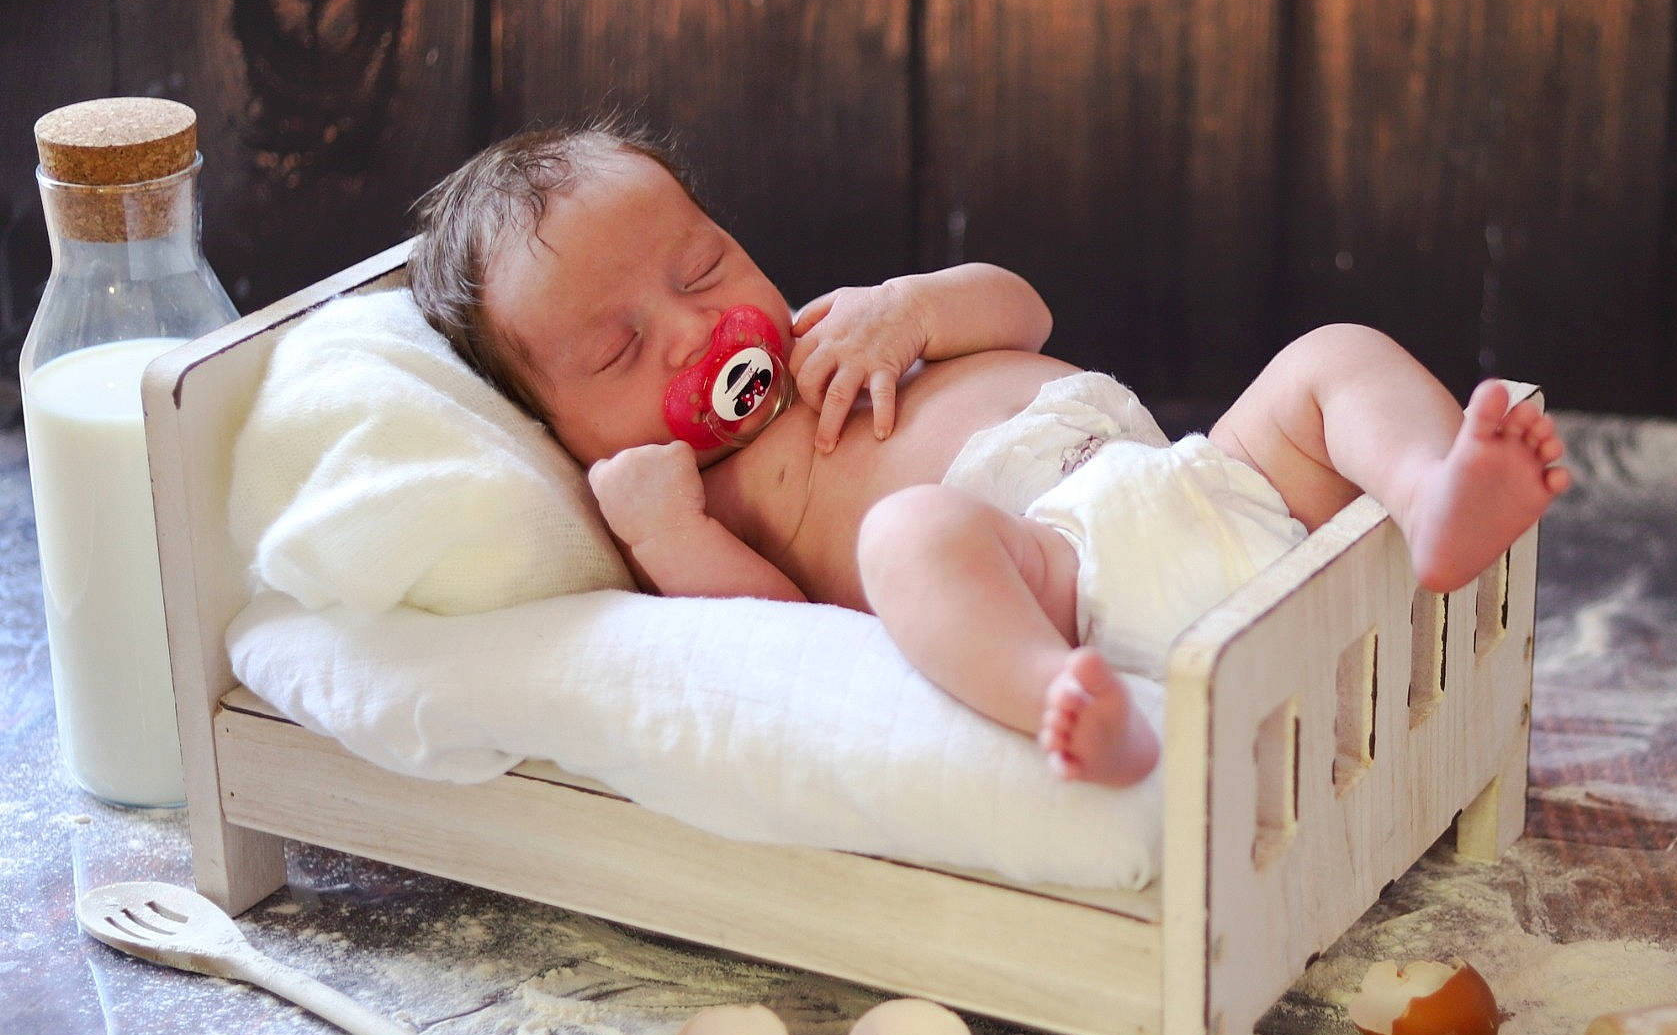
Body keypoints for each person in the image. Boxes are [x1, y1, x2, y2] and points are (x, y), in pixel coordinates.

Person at [412, 125, 1569, 789]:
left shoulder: (835, 328)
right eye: (617, 351)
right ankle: (1057, 698)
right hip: (1060, 586)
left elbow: (1025, 311)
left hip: (1200, 482)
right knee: (905, 533)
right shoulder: (705, 497)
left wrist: (914, 306)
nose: (691, 329)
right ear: (557, 430)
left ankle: (1429, 496)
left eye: (703, 268)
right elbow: (775, 640)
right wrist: (666, 532)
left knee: (1330, 355)